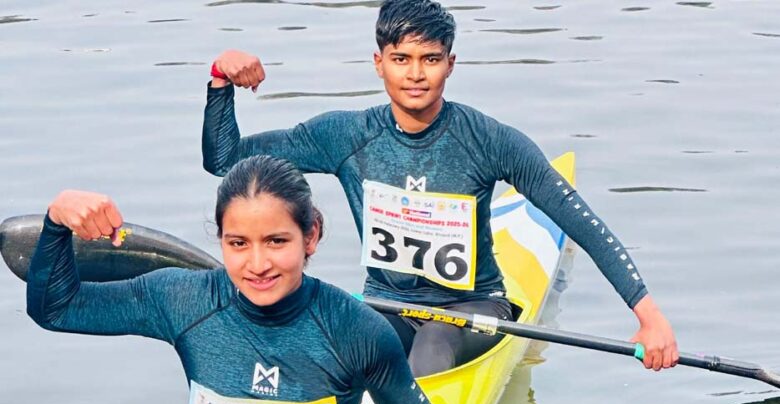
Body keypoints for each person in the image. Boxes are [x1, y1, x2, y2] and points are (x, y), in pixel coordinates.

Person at [201, 0, 679, 376]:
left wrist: (649, 315)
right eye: (401, 59)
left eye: (430, 59)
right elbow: (224, 161)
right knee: (333, 339)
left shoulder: (488, 141)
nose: (415, 74)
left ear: (450, 64)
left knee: (434, 339)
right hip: (385, 305)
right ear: (378, 63)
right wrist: (220, 81)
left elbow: (580, 221)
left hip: (474, 311)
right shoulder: (346, 136)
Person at [26, 156, 483, 404]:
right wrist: (57, 223)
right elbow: (55, 309)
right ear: (220, 239)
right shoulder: (182, 301)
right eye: (238, 244)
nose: (258, 264)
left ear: (311, 236)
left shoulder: (356, 330)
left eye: (277, 241)